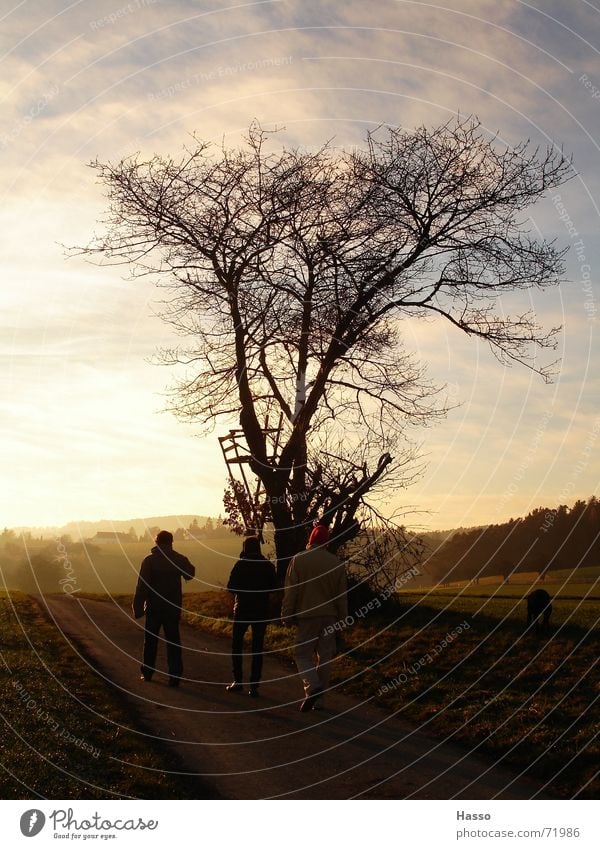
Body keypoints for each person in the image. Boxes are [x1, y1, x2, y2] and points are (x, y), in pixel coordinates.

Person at [281, 524, 347, 712]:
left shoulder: (298, 560)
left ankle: (312, 687)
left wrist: (287, 614)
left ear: (310, 540)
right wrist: (343, 618)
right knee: (325, 656)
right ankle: (320, 701)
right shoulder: (336, 563)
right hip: (330, 616)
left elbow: (291, 591)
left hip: (307, 615)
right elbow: (342, 596)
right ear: (327, 542)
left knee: (302, 654)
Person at [132, 529, 195, 687]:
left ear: (156, 542)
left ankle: (147, 672)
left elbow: (142, 587)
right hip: (172, 607)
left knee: (151, 641)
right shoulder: (178, 559)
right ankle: (175, 675)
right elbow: (190, 574)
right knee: (173, 641)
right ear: (171, 542)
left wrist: (138, 607)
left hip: (153, 607)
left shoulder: (149, 561)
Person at [226, 535, 277, 697]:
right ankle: (254, 685)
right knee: (257, 647)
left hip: (242, 609)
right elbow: (274, 587)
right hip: (261, 610)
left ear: (245, 548)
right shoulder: (267, 566)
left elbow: (231, 587)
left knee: (237, 645)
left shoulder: (241, 565)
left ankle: (238, 680)